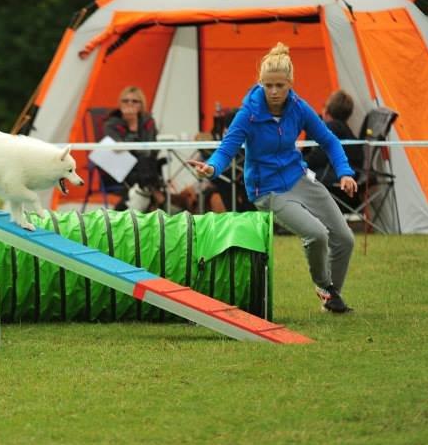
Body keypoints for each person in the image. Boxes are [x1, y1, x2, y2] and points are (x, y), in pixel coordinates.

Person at [187, 42, 358, 313]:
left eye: (280, 85)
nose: (274, 92)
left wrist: (345, 172)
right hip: (267, 189)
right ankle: (325, 287)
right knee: (316, 234)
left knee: (345, 238)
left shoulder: (299, 108)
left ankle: (331, 297)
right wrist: (212, 167)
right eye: (268, 85)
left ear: (290, 83)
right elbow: (227, 148)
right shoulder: (249, 114)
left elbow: (330, 141)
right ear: (261, 83)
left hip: (299, 178)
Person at [103, 86, 166, 210]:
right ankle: (155, 195)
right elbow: (119, 148)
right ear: (120, 104)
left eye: (134, 101)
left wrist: (135, 124)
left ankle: (129, 206)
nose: (129, 104)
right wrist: (132, 126)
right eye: (125, 101)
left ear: (142, 105)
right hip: (120, 167)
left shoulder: (148, 121)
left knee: (145, 162)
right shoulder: (111, 123)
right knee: (143, 165)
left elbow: (148, 150)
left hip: (146, 166)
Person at [304, 89, 364, 186]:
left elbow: (319, 157)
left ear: (327, 112)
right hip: (351, 173)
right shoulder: (343, 128)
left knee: (300, 175)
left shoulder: (332, 127)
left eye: (324, 106)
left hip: (336, 175)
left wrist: (298, 161)